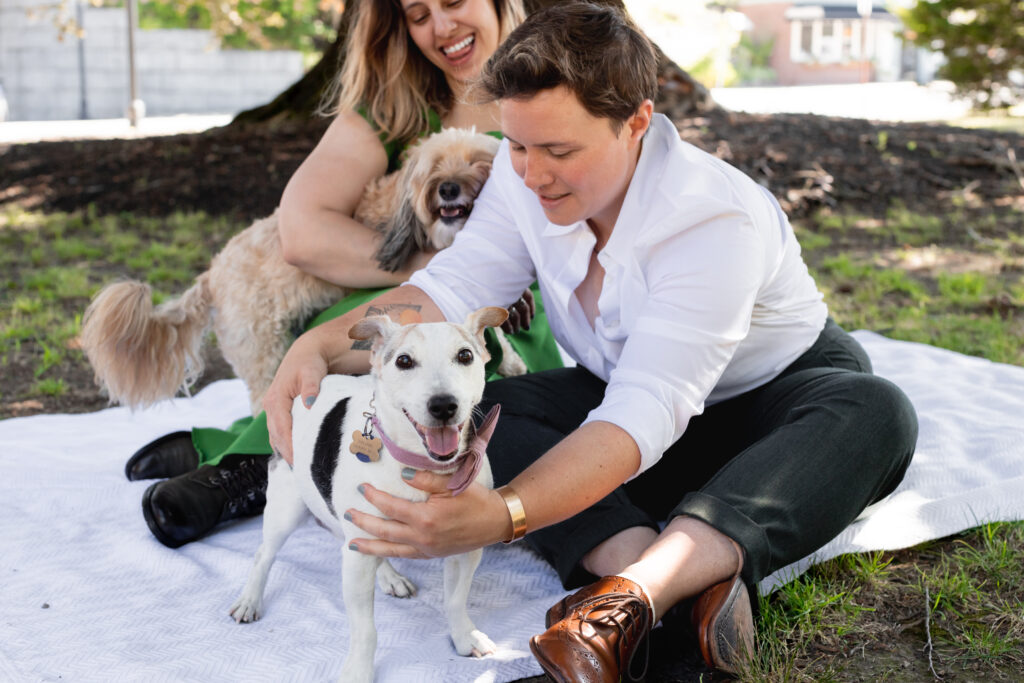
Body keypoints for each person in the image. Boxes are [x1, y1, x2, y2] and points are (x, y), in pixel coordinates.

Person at [263, 3, 918, 679]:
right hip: (627, 396)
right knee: (499, 412)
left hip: (773, 401)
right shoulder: (524, 182)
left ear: (635, 121)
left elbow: (643, 412)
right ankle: (681, 587)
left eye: (560, 151)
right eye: (517, 145)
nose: (532, 173)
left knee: (876, 411)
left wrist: (501, 515)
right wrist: (317, 345)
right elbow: (447, 289)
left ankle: (634, 598)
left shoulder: (711, 220)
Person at [124, 0, 564, 549]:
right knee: (368, 327)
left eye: (453, 1)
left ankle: (233, 448)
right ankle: (253, 463)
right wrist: (442, 268)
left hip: (512, 314)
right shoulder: (396, 106)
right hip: (435, 295)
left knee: (473, 394)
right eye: (418, 13)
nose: (441, 27)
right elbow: (303, 231)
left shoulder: (557, 89)